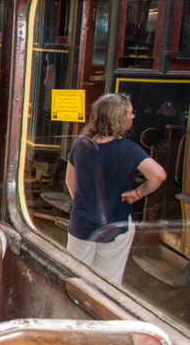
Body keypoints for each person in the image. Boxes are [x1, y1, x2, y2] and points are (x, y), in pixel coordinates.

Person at [65, 93, 165, 284]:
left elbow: (70, 182)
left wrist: (85, 205)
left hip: (81, 225)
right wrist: (137, 193)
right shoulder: (128, 149)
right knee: (107, 285)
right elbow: (158, 175)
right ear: (118, 117)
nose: (133, 116)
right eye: (130, 112)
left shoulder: (81, 142)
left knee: (76, 281)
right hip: (115, 226)